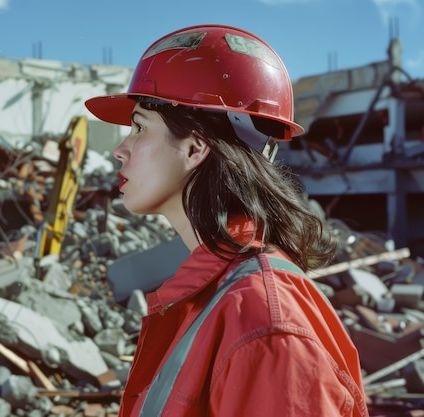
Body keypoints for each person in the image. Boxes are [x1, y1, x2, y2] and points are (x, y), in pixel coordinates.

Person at [85, 25, 369, 417]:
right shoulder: (214, 298)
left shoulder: (265, 324)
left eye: (139, 127)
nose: (120, 150)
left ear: (194, 147)